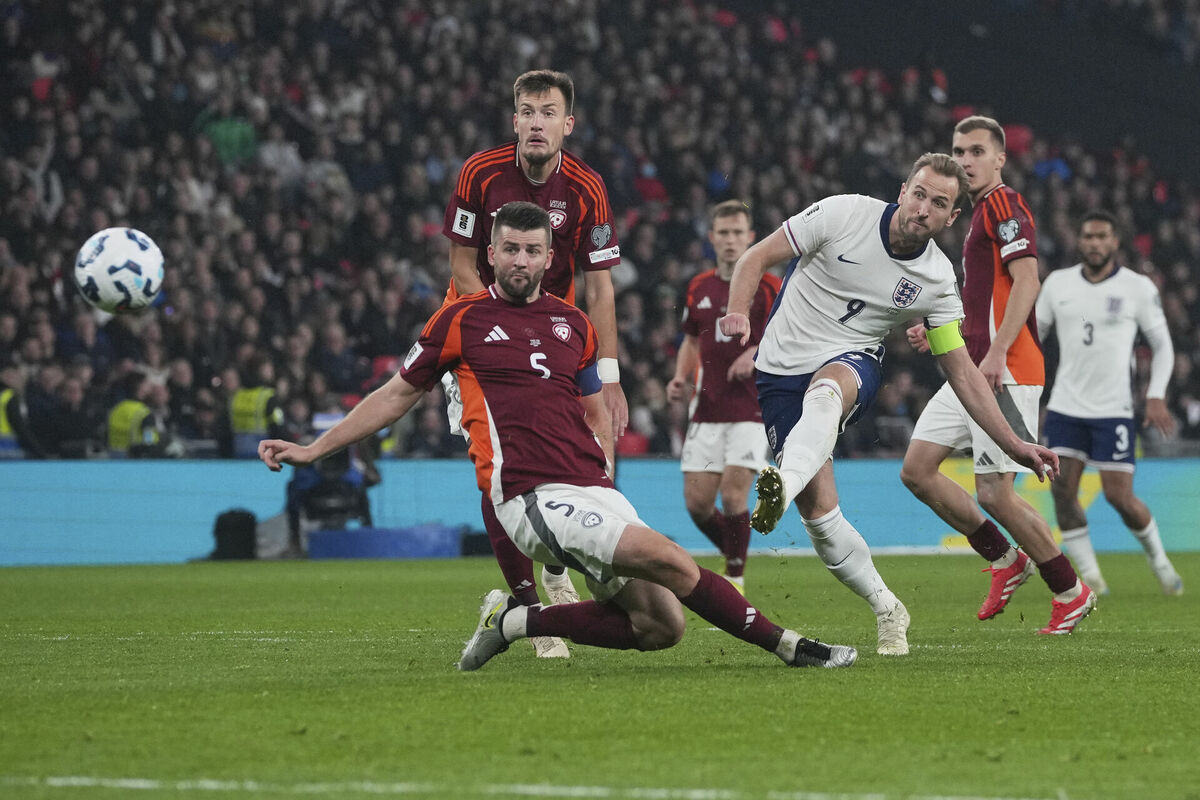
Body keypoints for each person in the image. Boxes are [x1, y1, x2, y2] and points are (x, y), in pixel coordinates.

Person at [259, 202, 856, 672]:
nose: (521, 260)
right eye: (511, 249)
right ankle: (792, 646)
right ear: (490, 254)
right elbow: (394, 395)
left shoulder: (573, 324)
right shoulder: (460, 320)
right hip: (530, 495)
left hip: (592, 488)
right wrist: (315, 448)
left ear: (549, 258)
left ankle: (517, 624)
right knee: (669, 557)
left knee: (661, 628)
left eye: (533, 250)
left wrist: (607, 486)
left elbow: (597, 413)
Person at [720, 153, 1061, 656]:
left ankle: (782, 485)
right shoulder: (843, 214)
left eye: (939, 203)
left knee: (828, 390)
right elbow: (754, 258)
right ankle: (887, 607)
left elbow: (962, 371)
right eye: (919, 194)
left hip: (851, 361)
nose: (923, 208)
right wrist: (736, 314)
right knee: (821, 521)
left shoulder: (937, 281)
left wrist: (1013, 441)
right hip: (778, 372)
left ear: (951, 218)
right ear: (903, 190)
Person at [441, 70, 627, 657]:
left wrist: (611, 375)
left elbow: (599, 291)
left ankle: (557, 568)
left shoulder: (588, 189)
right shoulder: (479, 173)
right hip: (480, 331)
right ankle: (528, 602)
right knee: (494, 466)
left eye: (549, 112)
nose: (536, 121)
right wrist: (496, 334)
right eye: (527, 111)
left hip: (556, 336)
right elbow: (463, 266)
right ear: (514, 120)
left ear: (567, 124)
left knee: (574, 457)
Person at [900, 116, 1095, 635]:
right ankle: (1006, 560)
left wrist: (999, 350)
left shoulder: (1005, 205)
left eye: (976, 151)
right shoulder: (980, 212)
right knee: (917, 470)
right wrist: (941, 330)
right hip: (974, 366)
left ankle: (1071, 591)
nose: (965, 160)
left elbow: (1029, 279)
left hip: (1003, 369)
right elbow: (988, 298)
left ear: (1000, 158)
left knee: (995, 492)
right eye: (959, 151)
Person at [1036, 210, 1183, 596]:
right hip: (1065, 407)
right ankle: (1093, 579)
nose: (1095, 243)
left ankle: (1159, 560)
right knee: (1062, 492)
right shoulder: (1057, 284)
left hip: (1114, 410)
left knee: (1120, 496)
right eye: (1088, 236)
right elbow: (1032, 338)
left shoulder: (1137, 287)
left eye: (1102, 236)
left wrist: (1155, 395)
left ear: (1115, 242)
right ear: (1078, 241)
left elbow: (1163, 345)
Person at [666, 200, 780, 591]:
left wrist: (756, 352)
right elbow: (691, 340)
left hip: (752, 408)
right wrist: (680, 377)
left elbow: (791, 337)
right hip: (707, 408)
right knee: (697, 506)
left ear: (751, 238)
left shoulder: (769, 287)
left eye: (738, 233)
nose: (731, 240)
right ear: (712, 238)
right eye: (724, 233)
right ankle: (738, 548)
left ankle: (735, 580)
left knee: (733, 497)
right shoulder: (699, 286)